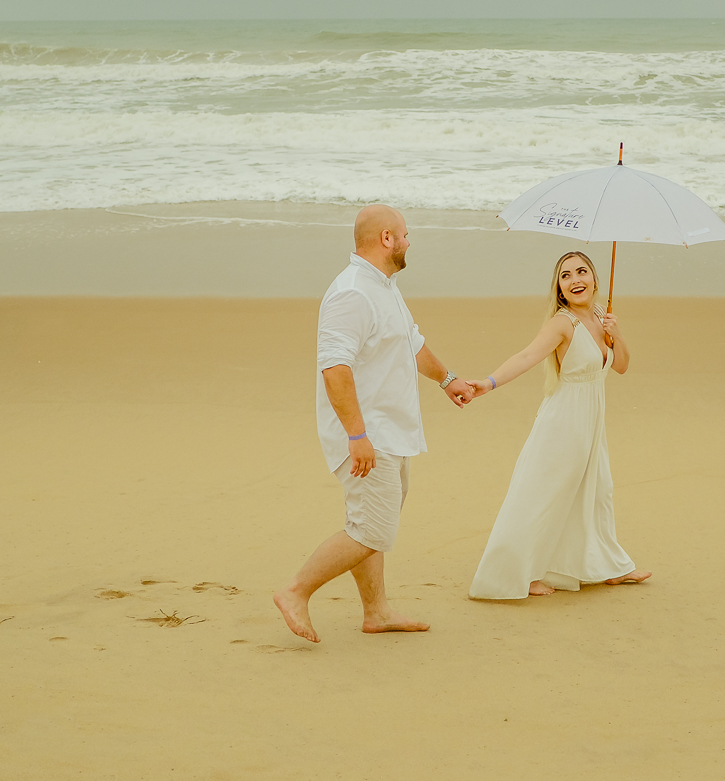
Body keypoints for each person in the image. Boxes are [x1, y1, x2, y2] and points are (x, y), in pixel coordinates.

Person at [274, 204, 476, 643]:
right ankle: (295, 591)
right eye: (404, 234)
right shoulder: (352, 293)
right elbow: (334, 367)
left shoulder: (384, 286)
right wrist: (357, 435)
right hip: (368, 434)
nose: (408, 241)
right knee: (372, 529)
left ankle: (376, 612)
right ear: (386, 238)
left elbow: (413, 343)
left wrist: (447, 379)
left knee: (371, 522)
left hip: (391, 429)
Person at [467, 251, 651, 599]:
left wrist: (618, 334)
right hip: (564, 421)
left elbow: (621, 366)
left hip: (592, 420)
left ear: (595, 280)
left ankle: (606, 566)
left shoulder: (601, 316)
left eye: (582, 272)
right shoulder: (562, 323)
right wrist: (487, 384)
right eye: (566, 276)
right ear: (560, 289)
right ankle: (523, 574)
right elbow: (527, 355)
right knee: (542, 494)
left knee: (597, 491)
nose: (575, 279)